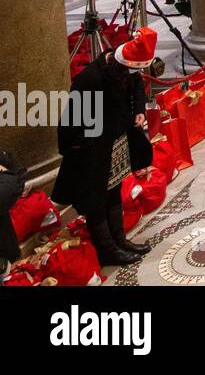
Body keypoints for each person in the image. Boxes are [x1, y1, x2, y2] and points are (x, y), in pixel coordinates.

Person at [52, 27, 156, 266]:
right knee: (96, 199)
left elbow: (137, 86)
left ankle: (120, 240)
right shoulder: (90, 79)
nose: (132, 75)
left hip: (116, 140)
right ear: (118, 62)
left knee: (114, 189)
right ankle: (107, 250)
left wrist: (139, 111)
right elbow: (70, 121)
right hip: (93, 148)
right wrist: (79, 150)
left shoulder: (125, 67)